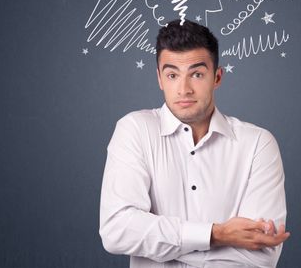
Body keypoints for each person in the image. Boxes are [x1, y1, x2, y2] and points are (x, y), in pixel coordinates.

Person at [99, 19, 290, 267]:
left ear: (217, 77)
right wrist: (217, 234)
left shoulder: (258, 144)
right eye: (172, 75)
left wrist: (161, 245)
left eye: (197, 74)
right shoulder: (135, 130)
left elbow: (260, 255)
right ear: (159, 78)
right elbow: (117, 231)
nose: (184, 89)